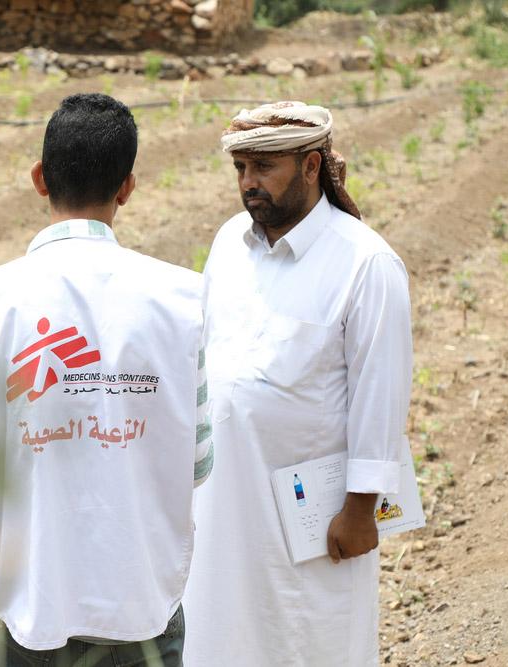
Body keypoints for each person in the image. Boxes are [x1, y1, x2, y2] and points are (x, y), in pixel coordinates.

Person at [0, 93, 213, 666]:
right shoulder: (183, 300)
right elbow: (199, 462)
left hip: (20, 610)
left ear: (39, 178)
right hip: (140, 605)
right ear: (127, 186)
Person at [182, 101, 413, 666]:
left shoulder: (366, 263)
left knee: (309, 637)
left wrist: (361, 511)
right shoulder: (229, 242)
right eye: (241, 168)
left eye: (264, 167)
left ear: (312, 166)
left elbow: (380, 397)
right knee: (218, 631)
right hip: (219, 499)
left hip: (312, 514)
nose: (248, 184)